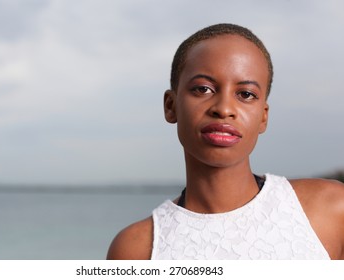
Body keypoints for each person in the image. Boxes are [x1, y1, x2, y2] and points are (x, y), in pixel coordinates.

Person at [107, 23, 344, 260]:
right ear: (171, 106)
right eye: (203, 89)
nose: (224, 109)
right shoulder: (136, 250)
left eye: (245, 94)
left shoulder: (331, 209)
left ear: (263, 117)